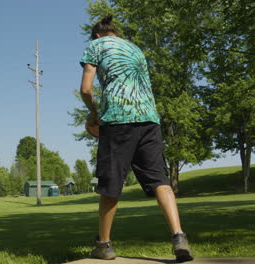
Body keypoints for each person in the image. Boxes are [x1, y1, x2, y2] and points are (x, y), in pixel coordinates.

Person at [79, 15, 194, 262]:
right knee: (159, 179)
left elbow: (86, 89)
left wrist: (93, 113)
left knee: (110, 183)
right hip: (150, 119)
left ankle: (104, 245)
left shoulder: (96, 45)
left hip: (118, 119)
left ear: (97, 35)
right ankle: (179, 237)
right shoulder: (135, 48)